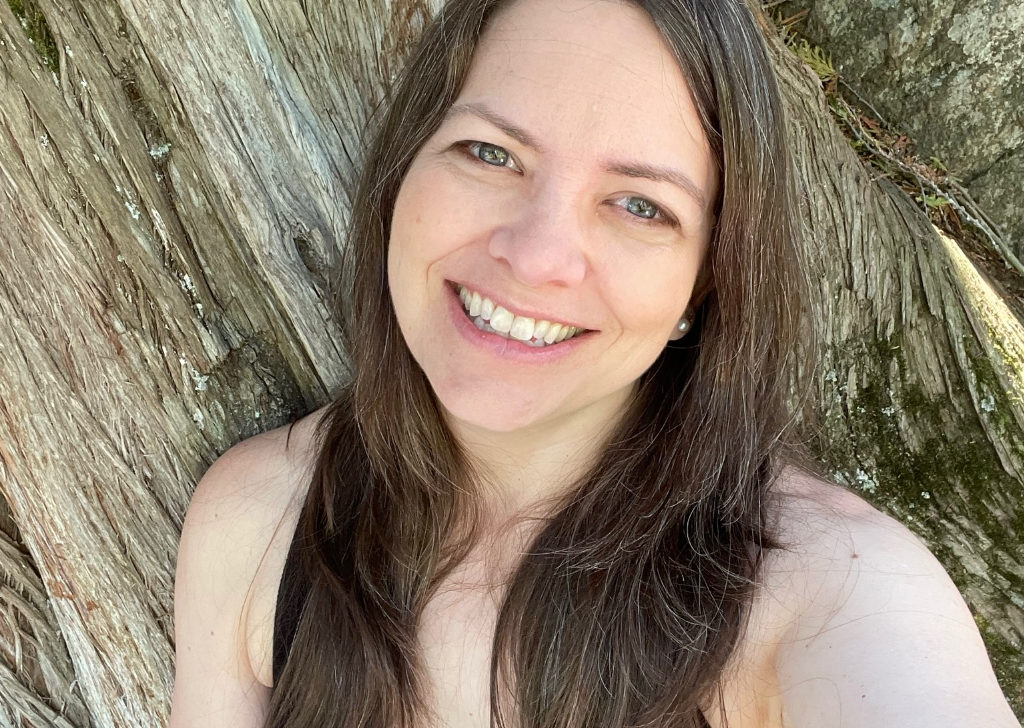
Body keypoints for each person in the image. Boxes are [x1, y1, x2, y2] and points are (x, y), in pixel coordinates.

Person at [168, 0, 1018, 726]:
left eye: (640, 206)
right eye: (491, 153)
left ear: (706, 283)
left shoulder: (830, 592)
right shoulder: (260, 525)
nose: (538, 256)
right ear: (403, 174)